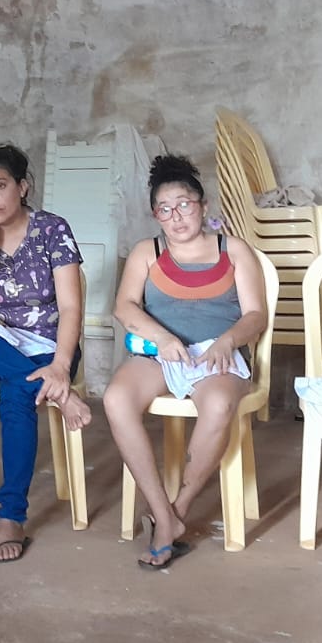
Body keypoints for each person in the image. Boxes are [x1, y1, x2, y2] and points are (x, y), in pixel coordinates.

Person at [103, 155, 267, 568]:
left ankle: (179, 508)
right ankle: (163, 516)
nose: (175, 216)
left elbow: (256, 315)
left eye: (184, 205)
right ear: (155, 215)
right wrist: (162, 337)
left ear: (203, 206)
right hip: (161, 353)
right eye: (164, 209)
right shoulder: (147, 252)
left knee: (219, 404)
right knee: (116, 399)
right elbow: (124, 306)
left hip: (217, 353)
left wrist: (228, 340)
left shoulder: (234, 250)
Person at [0, 143, 90, 562]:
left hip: (48, 350)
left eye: (1, 185)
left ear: (23, 187)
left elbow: (71, 307)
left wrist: (61, 366)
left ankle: (11, 516)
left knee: (17, 390)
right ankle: (59, 393)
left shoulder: (52, 229)